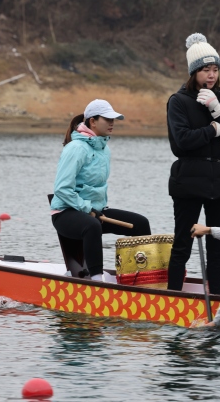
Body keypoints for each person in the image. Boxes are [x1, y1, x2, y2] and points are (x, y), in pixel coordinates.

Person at [166, 33, 220, 295]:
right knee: (183, 243)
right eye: (205, 70)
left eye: (215, 69)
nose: (211, 75)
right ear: (194, 72)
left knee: (217, 246)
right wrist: (213, 130)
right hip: (189, 180)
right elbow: (182, 142)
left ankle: (215, 296)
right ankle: (172, 296)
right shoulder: (178, 101)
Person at [50, 99, 152, 282]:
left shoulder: (105, 150)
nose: (112, 123)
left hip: (95, 212)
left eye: (113, 119)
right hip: (65, 213)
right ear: (93, 121)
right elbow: (62, 189)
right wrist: (87, 209)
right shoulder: (76, 148)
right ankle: (97, 280)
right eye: (107, 119)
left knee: (140, 224)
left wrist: (93, 209)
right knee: (92, 226)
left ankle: (139, 276)